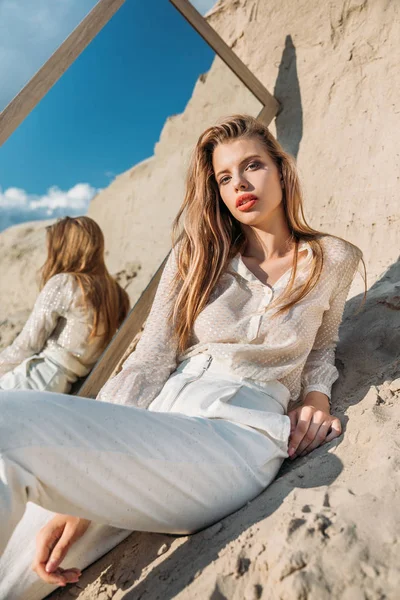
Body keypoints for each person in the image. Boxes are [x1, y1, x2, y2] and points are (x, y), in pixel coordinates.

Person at [0, 115, 366, 599]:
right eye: (225, 177)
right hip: (154, 419)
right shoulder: (196, 256)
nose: (240, 184)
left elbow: (323, 346)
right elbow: (149, 361)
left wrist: (316, 399)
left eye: (253, 166)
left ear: (282, 169)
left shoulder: (333, 257)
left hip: (234, 437)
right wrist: (86, 479)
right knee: (19, 565)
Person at [0, 216, 130, 393]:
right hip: (64, 385)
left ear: (65, 249)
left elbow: (26, 345)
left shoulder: (64, 283)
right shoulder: (116, 292)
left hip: (36, 378)